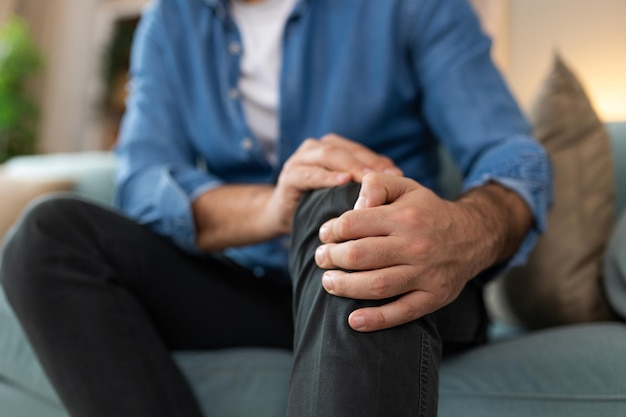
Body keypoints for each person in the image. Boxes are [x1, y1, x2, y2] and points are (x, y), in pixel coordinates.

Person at [0, 0, 551, 416]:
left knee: (343, 208)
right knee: (46, 236)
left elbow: (511, 155)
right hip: (256, 287)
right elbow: (142, 178)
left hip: (397, 277)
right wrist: (272, 209)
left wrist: (463, 230)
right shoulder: (172, 20)